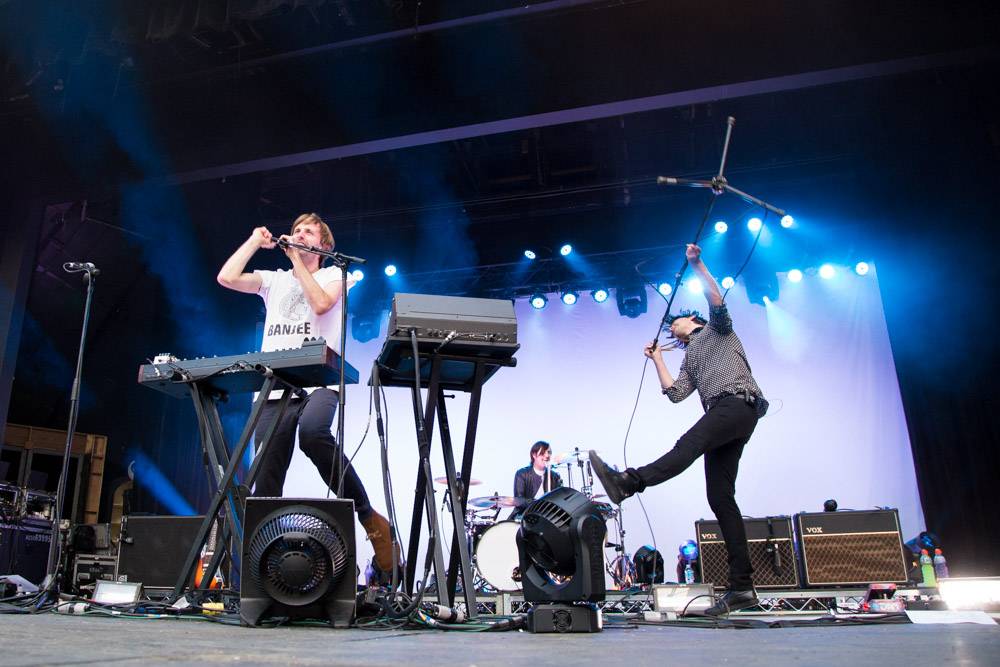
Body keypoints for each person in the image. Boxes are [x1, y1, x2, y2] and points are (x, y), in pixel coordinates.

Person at [589, 243, 768, 616]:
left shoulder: (716, 331)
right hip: (728, 413)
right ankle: (743, 589)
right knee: (720, 497)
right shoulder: (689, 356)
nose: (673, 330)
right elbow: (675, 394)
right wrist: (657, 360)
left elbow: (716, 298)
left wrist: (698, 265)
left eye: (677, 324)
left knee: (688, 444)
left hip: (737, 403)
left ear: (693, 321)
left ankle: (629, 481)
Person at [217, 212, 397, 578]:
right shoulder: (274, 280)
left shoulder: (335, 275)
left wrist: (298, 259)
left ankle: (369, 517)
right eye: (296, 229)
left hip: (320, 380)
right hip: (275, 387)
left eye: (308, 231)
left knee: (314, 433)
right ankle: (262, 567)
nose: (298, 234)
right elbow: (227, 277)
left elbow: (319, 304)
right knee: (266, 473)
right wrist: (254, 241)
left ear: (324, 245)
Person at [512, 441, 563, 515]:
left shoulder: (554, 476)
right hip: (525, 515)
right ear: (534, 455)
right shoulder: (522, 473)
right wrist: (539, 503)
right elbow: (519, 500)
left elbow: (559, 499)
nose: (547, 456)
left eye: (549, 452)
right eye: (542, 453)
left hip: (548, 517)